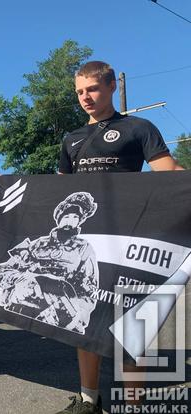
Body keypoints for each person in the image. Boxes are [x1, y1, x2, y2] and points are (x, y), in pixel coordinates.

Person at [56, 61, 183, 414]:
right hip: (88, 241)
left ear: (112, 86)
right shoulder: (71, 139)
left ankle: (133, 404)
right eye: (79, 92)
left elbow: (169, 172)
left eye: (92, 89)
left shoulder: (139, 128)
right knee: (84, 318)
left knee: (133, 322)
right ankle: (88, 400)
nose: (85, 97)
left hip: (129, 240)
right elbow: (59, 190)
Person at [0, 192, 98, 333]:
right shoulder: (36, 245)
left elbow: (90, 291)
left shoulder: (84, 248)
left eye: (75, 218)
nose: (70, 222)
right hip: (21, 313)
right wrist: (23, 279)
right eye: (66, 217)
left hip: (59, 319)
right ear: (58, 219)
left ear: (80, 221)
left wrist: (77, 322)